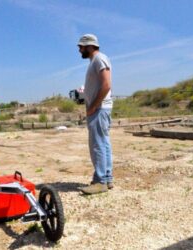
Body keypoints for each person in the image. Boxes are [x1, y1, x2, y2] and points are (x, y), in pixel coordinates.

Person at [77, 34, 114, 195]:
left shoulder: (99, 59)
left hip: (99, 109)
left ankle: (100, 182)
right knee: (103, 144)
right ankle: (106, 178)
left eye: (81, 47)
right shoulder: (96, 61)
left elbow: (106, 85)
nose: (79, 50)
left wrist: (93, 106)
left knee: (97, 145)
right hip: (100, 109)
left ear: (89, 46)